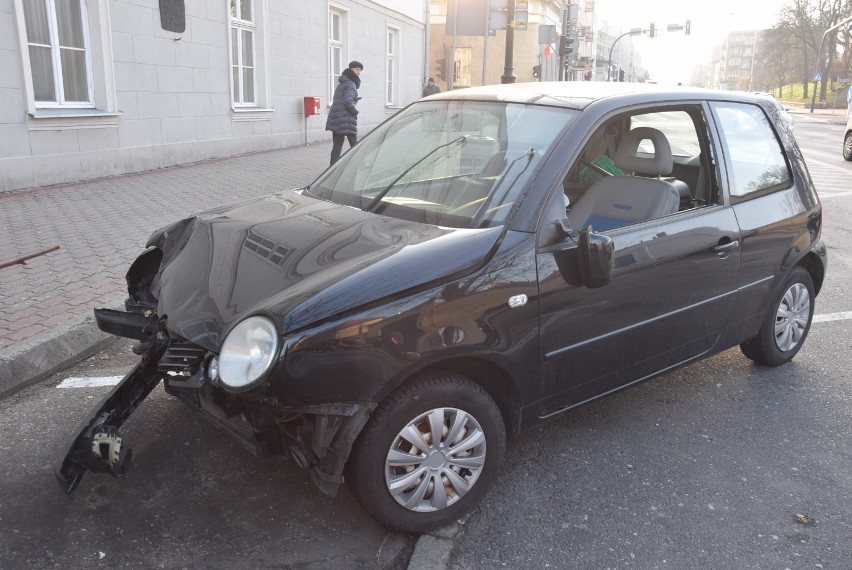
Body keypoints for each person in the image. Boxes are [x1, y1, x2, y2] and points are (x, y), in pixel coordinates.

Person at [326, 61, 363, 165]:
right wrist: (355, 111)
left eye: (360, 70)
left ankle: (332, 169)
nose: (359, 72)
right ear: (350, 69)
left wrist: (355, 99)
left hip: (336, 119)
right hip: (346, 119)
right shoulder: (351, 84)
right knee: (355, 145)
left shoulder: (342, 84)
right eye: (357, 69)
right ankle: (361, 164)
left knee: (337, 146)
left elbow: (342, 100)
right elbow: (347, 102)